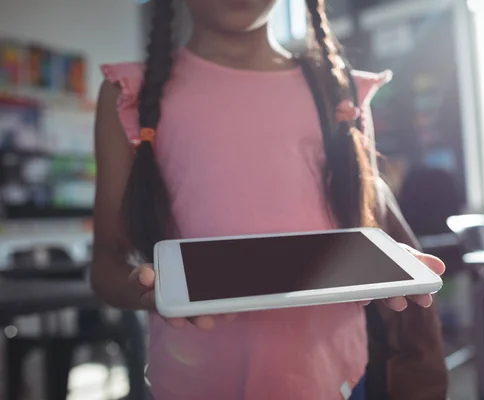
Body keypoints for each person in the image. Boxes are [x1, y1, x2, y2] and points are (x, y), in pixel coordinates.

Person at [91, 0, 447, 398]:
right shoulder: (127, 95)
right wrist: (150, 292)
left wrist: (383, 260)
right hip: (194, 382)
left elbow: (362, 222)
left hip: (336, 378)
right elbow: (107, 259)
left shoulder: (340, 90)